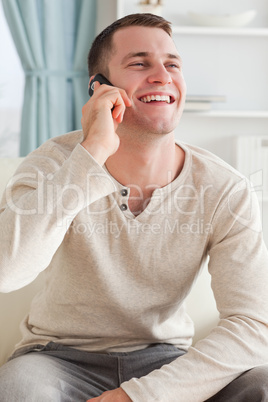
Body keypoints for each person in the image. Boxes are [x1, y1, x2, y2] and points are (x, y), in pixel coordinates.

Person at [0, 12, 268, 402]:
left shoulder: (224, 187)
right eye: (140, 63)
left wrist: (137, 397)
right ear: (99, 88)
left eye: (172, 64)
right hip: (55, 361)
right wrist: (89, 156)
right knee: (18, 391)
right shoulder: (55, 162)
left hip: (166, 361)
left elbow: (252, 324)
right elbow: (6, 270)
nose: (163, 76)